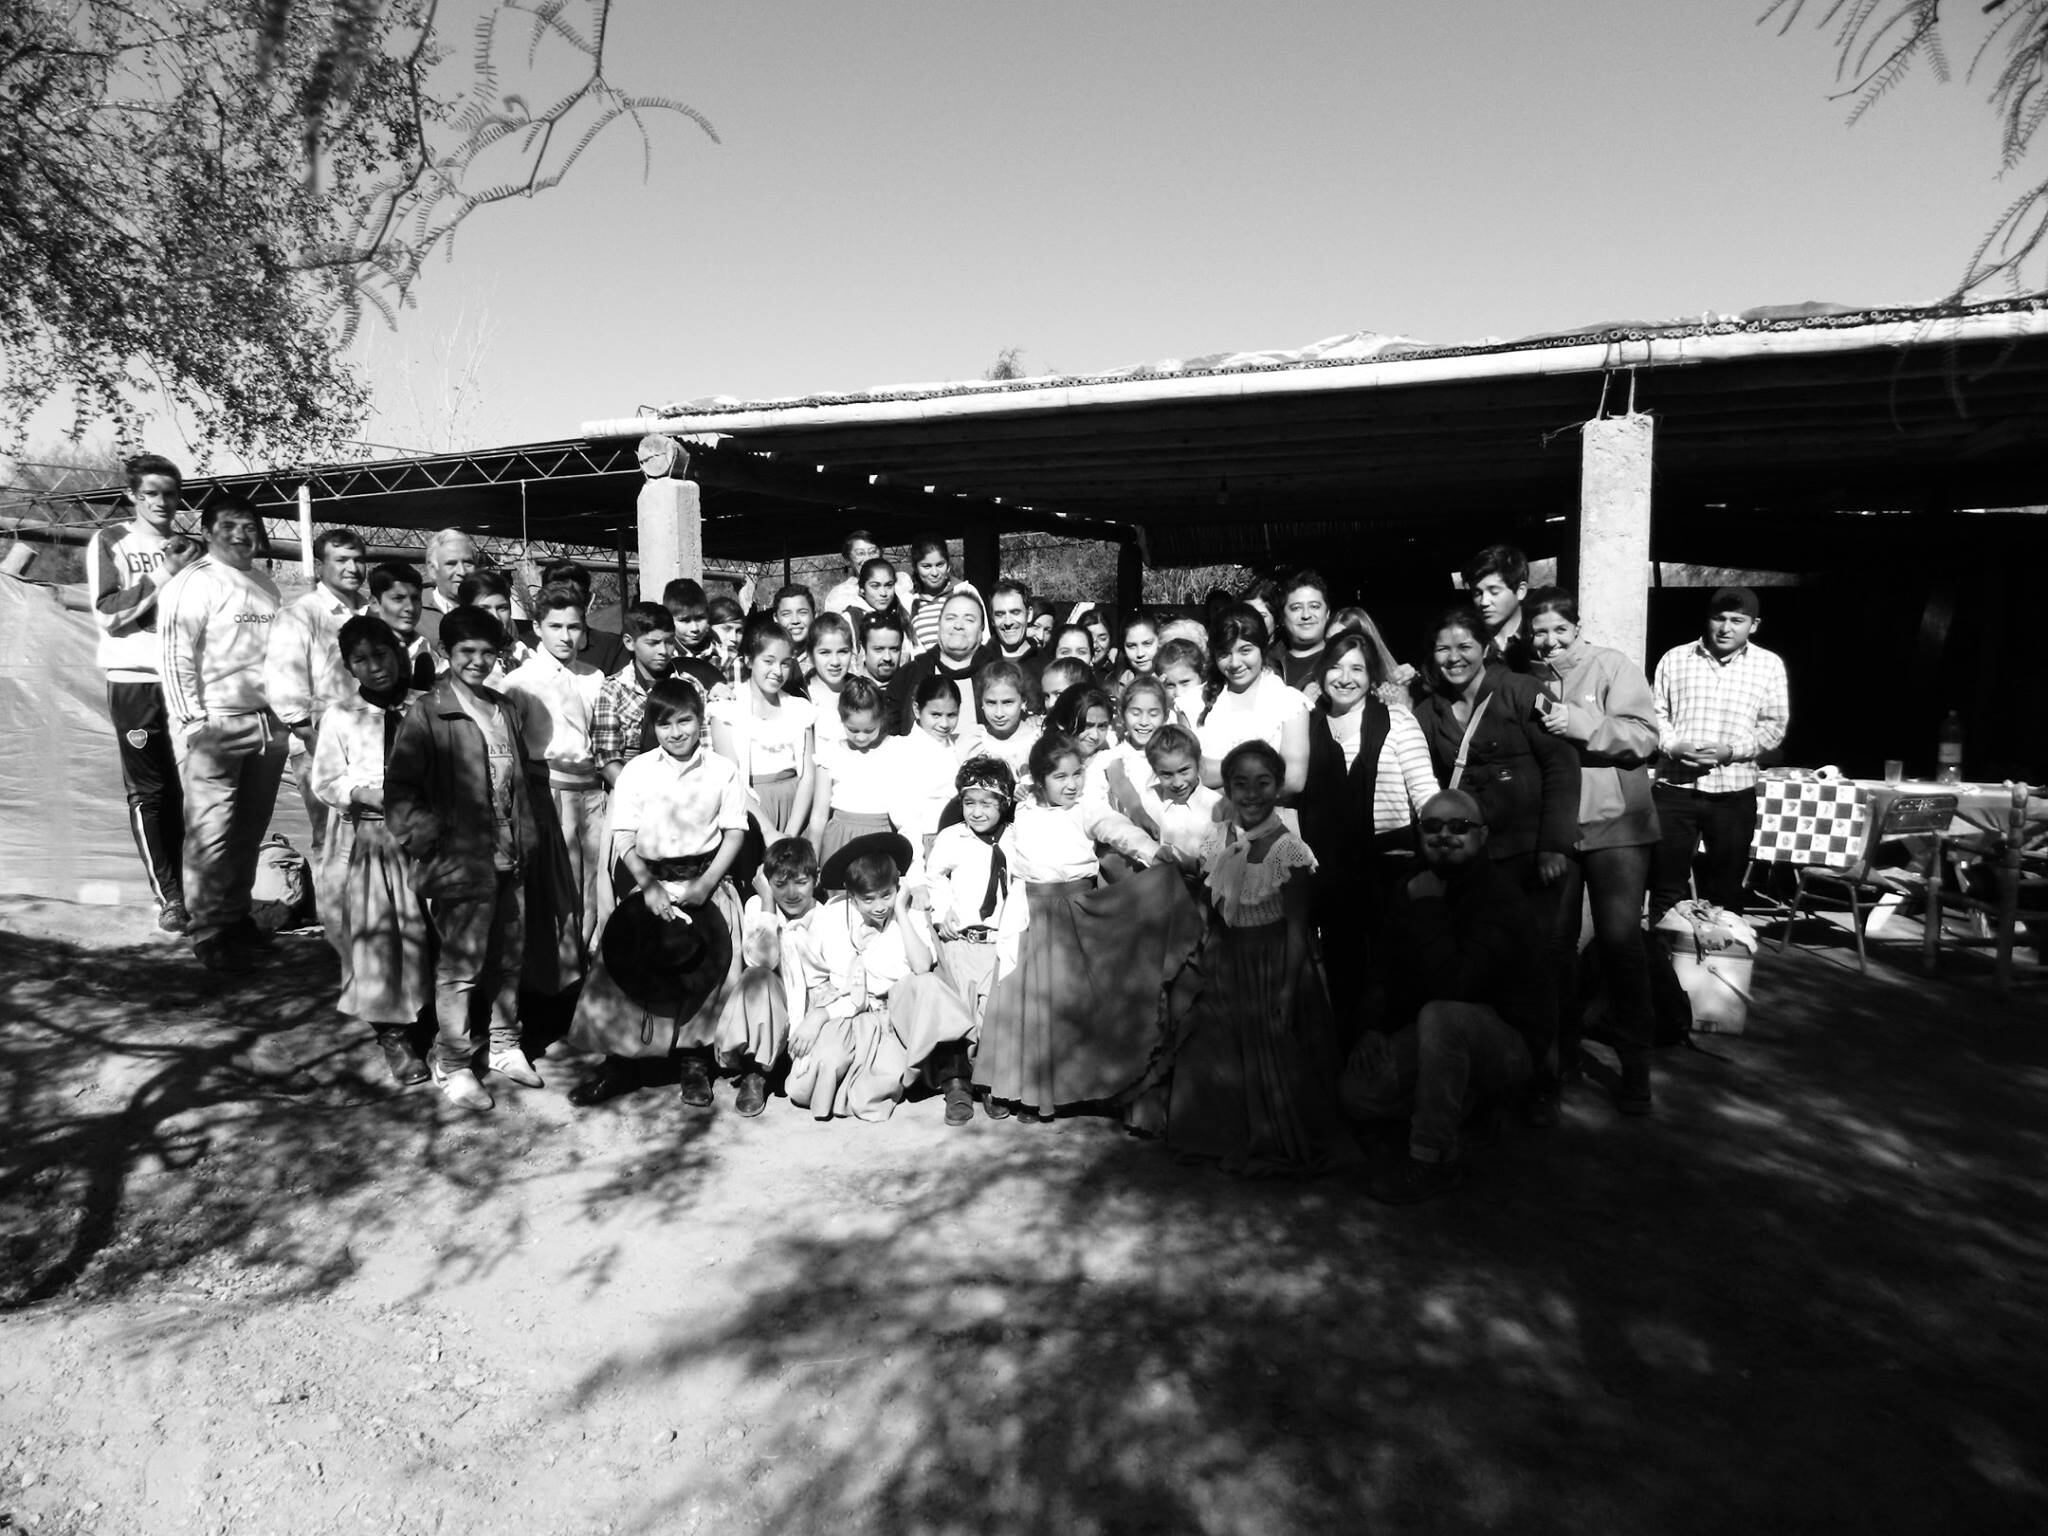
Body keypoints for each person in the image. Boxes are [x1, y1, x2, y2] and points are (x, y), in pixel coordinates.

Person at [973, 729, 1205, 1120]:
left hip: (1072, 917)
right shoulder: (1025, 806)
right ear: (1039, 780)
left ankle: (1072, 1089)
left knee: (1070, 1005)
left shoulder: (1086, 808)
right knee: (1027, 1004)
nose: (1072, 784)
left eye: (1077, 773)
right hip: (1029, 915)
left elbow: (1120, 831)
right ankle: (1025, 1089)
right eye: (1060, 777)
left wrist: (1155, 854)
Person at [1342, 790, 1556, 1204]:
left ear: (1483, 835)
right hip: (1436, 1035)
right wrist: (1370, 1028)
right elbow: (1384, 969)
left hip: (1508, 1043)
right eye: (1432, 826)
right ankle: (1467, 1106)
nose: (1445, 835)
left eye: (1460, 827)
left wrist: (1429, 911)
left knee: (1444, 1016)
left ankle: (1433, 1158)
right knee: (1357, 1092)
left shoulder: (1500, 898)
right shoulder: (1413, 885)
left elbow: (1458, 987)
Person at [1410, 603, 1579, 1119]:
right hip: (1471, 864)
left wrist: (1555, 844)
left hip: (1530, 857)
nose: (1454, 657)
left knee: (1539, 966)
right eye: (1443, 647)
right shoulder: (1429, 709)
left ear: (1485, 648)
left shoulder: (1521, 692)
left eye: (1464, 646)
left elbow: (1562, 765)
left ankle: (1544, 1077)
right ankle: (1484, 1078)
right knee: (1479, 963)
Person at [385, 605, 553, 1110]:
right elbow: (401, 791)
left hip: (511, 859)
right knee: (460, 968)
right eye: (466, 653)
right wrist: (431, 843)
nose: (478, 661)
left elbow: (517, 782)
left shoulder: (504, 709)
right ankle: (453, 1061)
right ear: (445, 654)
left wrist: (526, 840)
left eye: (487, 652)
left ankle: (504, 1045)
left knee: (508, 960)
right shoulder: (429, 713)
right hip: (461, 865)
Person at [1166, 740, 1358, 1176]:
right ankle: (1225, 1134)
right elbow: (1210, 906)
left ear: (1278, 788)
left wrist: (1289, 989)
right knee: (1219, 1048)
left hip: (1274, 964)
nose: (1251, 794)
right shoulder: (1216, 839)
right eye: (1240, 784)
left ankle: (1275, 1138)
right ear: (1228, 789)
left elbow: (1297, 928)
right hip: (1227, 960)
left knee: (1276, 1053)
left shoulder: (1289, 849)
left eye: (1262, 783)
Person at [566, 677, 751, 1112]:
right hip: (649, 887)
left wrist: (706, 885)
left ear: (700, 720)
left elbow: (734, 832)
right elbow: (624, 835)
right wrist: (648, 887)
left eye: (685, 721)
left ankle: (695, 1062)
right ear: (654, 727)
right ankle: (621, 1064)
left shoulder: (722, 770)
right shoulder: (638, 770)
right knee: (624, 971)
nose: (677, 732)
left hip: (705, 883)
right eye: (665, 724)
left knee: (703, 973)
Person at [1528, 587, 1660, 1114]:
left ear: (1578, 628)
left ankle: (1636, 1070)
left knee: (1621, 944)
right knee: (1554, 949)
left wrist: (1581, 724)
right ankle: (1555, 1063)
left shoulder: (1612, 666)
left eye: (1561, 629)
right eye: (1540, 631)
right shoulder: (1527, 676)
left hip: (1618, 826)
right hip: (1559, 829)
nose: (1550, 640)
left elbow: (1645, 736)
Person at [157, 497, 286, 972]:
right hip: (215, 722)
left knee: (248, 830)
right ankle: (208, 929)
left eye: (249, 526)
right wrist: (192, 723)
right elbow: (175, 654)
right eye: (228, 526)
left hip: (266, 724)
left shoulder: (266, 584)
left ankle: (235, 918)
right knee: (211, 832)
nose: (240, 534)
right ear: (208, 532)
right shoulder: (195, 582)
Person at [309, 615, 431, 1087]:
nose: (375, 667)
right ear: (349, 666)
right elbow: (326, 779)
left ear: (396, 653)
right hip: (375, 836)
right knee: (382, 936)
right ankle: (393, 1033)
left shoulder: (424, 707)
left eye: (381, 654)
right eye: (361, 660)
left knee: (429, 929)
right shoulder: (342, 714)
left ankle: (440, 1022)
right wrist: (364, 794)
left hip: (427, 835)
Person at [787, 840, 983, 1125]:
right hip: (851, 1012)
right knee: (825, 1075)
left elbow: (919, 966)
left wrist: (901, 912)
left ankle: (956, 1083)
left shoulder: (909, 912)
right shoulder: (831, 916)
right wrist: (817, 1015)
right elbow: (823, 978)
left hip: (900, 1015)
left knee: (927, 985)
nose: (879, 907)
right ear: (851, 896)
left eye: (886, 895)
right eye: (868, 899)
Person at [1299, 631, 1440, 1018]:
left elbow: (1425, 794)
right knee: (1342, 982)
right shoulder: (1306, 726)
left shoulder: (1396, 721)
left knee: (1390, 978)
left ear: (1371, 675)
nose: (1345, 678)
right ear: (1322, 671)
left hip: (1389, 871)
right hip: (1327, 875)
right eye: (1336, 667)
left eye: (1357, 669)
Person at [87, 452, 199, 930]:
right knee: (150, 791)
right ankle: (170, 897)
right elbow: (109, 613)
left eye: (170, 494)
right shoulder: (111, 540)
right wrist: (162, 575)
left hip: (188, 682)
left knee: (195, 789)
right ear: (133, 496)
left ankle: (204, 890)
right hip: (135, 681)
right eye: (151, 493)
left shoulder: (191, 546)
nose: (161, 502)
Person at [1650, 585, 1790, 918]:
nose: (1726, 628)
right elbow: (1655, 715)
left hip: (1733, 793)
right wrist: (1673, 746)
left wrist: (1730, 751)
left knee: (1726, 890)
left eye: (1737, 620)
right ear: (1708, 619)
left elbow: (1774, 727)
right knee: (1665, 885)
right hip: (1675, 790)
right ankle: (1662, 965)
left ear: (1753, 625)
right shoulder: (1675, 658)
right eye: (1719, 618)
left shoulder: (1768, 665)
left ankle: (1721, 967)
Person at [502, 582, 607, 946]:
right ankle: (558, 979)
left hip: (593, 794)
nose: (566, 637)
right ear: (537, 627)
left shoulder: (594, 677)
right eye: (555, 627)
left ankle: (592, 965)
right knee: (557, 885)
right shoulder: (519, 682)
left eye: (574, 627)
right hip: (547, 793)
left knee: (594, 883)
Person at [264, 527, 367, 873]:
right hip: (319, 744)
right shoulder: (301, 614)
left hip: (370, 742)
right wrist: (310, 737)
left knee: (371, 837)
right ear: (321, 566)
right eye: (342, 560)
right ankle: (337, 924)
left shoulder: (372, 613)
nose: (353, 567)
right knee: (331, 839)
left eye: (358, 559)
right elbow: (284, 683)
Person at [723, 835, 826, 1115]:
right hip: (775, 1012)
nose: (791, 893)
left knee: (809, 1089)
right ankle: (755, 1071)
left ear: (816, 879)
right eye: (780, 884)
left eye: (801, 883)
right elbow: (760, 959)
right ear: (767, 883)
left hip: (811, 1014)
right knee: (758, 977)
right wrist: (768, 904)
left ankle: (791, 1065)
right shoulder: (758, 906)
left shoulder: (826, 915)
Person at [923, 756, 1017, 1020]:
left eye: (986, 804)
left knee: (994, 1019)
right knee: (961, 1017)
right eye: (969, 803)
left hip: (1002, 946)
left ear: (1004, 803)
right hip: (963, 944)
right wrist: (942, 912)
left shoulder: (1016, 838)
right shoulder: (953, 837)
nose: (977, 812)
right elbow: (935, 875)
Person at [708, 621, 817, 843]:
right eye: (768, 661)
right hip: (750, 809)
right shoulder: (726, 709)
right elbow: (731, 778)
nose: (777, 671)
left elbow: (808, 775)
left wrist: (790, 833)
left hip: (796, 807)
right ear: (748, 660)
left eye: (785, 663)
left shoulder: (799, 708)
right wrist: (767, 831)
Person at [1194, 603, 1310, 798]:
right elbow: (1189, 771)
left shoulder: (1291, 704)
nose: (1235, 663)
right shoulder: (1193, 702)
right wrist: (1260, 772)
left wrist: (1221, 788)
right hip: (1204, 823)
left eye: (1245, 651)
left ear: (1262, 647)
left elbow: (1293, 779)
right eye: (1224, 654)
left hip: (1272, 822)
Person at [808, 676, 909, 867]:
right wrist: (812, 859)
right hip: (839, 837)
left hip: (879, 836)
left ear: (881, 718)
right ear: (842, 719)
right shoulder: (831, 752)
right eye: (853, 730)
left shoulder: (895, 748)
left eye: (869, 730)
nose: (861, 737)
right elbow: (819, 814)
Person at [592, 602, 678, 789]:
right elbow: (606, 758)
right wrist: (639, 797)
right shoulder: (613, 690)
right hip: (632, 796)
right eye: (653, 643)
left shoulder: (689, 687)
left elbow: (705, 749)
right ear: (629, 642)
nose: (663, 651)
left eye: (669, 642)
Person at [889, 590, 995, 735]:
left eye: (969, 620)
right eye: (950, 618)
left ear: (982, 628)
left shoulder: (1000, 675)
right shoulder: (909, 675)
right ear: (939, 624)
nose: (958, 625)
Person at [1138, 724, 1226, 868]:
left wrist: (1189, 864)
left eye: (1184, 771)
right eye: (1167, 774)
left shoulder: (1217, 808)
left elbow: (1217, 863)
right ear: (1155, 770)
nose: (1178, 783)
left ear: (1198, 763)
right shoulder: (1147, 802)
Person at [538, 559, 628, 675]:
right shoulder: (525, 647)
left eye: (574, 596)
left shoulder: (612, 648)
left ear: (589, 599)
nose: (567, 602)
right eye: (557, 597)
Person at [967, 658, 1039, 787]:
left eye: (1007, 702)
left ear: (1023, 701)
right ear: (981, 703)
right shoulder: (976, 743)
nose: (999, 713)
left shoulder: (1037, 741)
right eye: (991, 702)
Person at [905, 535, 980, 655]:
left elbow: (983, 637)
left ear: (948, 564)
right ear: (915, 568)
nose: (934, 573)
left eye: (940, 565)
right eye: (926, 566)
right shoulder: (910, 603)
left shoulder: (965, 592)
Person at [367, 561, 437, 690]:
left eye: (415, 599)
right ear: (374, 603)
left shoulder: (425, 648)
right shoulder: (358, 651)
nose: (410, 608)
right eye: (398, 599)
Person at [1464, 543, 1533, 674]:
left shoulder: (1542, 637)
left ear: (1520, 591)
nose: (1484, 602)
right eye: (1477, 593)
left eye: (1494, 592)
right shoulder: (1468, 640)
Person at [455, 570, 533, 681]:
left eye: (502, 608)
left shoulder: (524, 652)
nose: (495, 616)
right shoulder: (459, 662)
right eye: (484, 609)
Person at [412, 528, 479, 648]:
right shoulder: (414, 612)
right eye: (451, 564)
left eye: (468, 563)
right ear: (432, 570)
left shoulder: (493, 610)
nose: (462, 572)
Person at [1269, 569, 1332, 693]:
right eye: (1296, 608)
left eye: (1314, 606)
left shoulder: (1341, 660)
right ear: (1282, 617)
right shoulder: (1266, 664)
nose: (1306, 615)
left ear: (1327, 613)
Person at [805, 611, 858, 750]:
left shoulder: (862, 692)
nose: (835, 662)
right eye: (825, 653)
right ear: (810, 654)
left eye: (842, 652)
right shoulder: (802, 697)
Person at [661, 578, 725, 692]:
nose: (694, 628)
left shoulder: (726, 657)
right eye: (685, 620)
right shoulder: (662, 660)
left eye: (700, 618)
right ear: (669, 620)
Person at [988, 578, 1044, 685]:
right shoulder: (979, 663)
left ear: (1029, 614)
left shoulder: (1045, 665)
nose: (1008, 622)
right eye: (1000, 614)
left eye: (1015, 612)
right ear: (992, 619)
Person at [1154, 637, 1208, 731]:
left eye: (1185, 683)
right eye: (1170, 685)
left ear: (1202, 675)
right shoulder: (1166, 710)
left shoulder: (1206, 705)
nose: (1178, 693)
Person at [772, 583, 817, 685]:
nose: (795, 621)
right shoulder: (767, 660)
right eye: (786, 614)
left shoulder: (825, 658)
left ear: (814, 615)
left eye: (802, 612)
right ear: (775, 619)